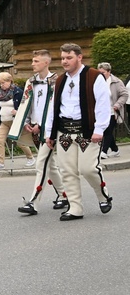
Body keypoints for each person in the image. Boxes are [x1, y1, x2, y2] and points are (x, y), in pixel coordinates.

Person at [46, 43, 112, 221]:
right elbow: (54, 108)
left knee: (88, 168)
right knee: (67, 170)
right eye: (62, 58)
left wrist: (99, 129)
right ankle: (75, 207)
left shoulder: (94, 77)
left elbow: (103, 105)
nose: (65, 61)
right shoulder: (60, 80)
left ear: (79, 57)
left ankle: (102, 195)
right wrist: (49, 134)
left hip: (87, 131)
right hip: (64, 131)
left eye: (69, 58)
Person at [15, 50, 68, 215]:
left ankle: (33, 202)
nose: (32, 64)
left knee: (41, 164)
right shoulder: (30, 81)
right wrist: (25, 122)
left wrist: (42, 124)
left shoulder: (57, 81)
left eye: (36, 61)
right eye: (32, 60)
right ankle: (64, 195)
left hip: (50, 130)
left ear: (46, 62)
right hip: (35, 129)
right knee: (50, 165)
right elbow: (26, 102)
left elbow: (56, 106)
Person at [0, 72, 35, 171]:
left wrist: (17, 112)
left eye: (3, 83)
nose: (1, 85)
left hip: (16, 121)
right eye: (0, 83)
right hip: (4, 121)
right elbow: (0, 105)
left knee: (21, 142)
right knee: (0, 141)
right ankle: (0, 163)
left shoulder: (18, 92)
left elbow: (24, 106)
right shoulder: (1, 93)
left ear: (9, 81)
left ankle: (30, 158)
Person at [97, 62, 128, 158]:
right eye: (99, 73)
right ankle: (115, 150)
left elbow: (125, 94)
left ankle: (104, 151)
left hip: (113, 111)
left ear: (109, 72)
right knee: (105, 131)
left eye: (103, 73)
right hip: (101, 112)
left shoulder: (116, 82)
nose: (101, 75)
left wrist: (117, 105)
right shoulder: (97, 82)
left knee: (108, 131)